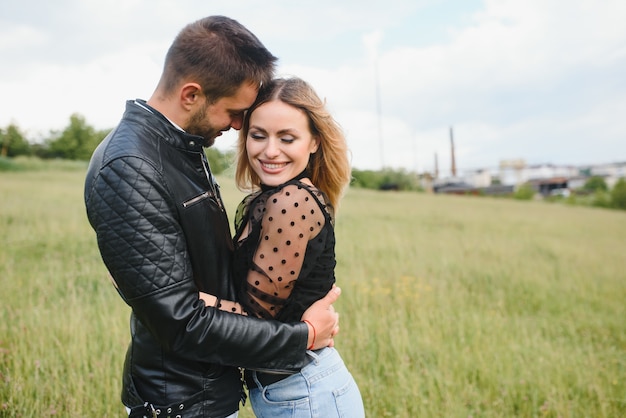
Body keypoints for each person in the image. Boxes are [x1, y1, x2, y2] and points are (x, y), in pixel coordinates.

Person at [84, 16, 340, 418]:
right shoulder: (131, 165)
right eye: (235, 113)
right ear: (191, 95)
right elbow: (180, 320)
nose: (240, 126)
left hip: (212, 390)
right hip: (182, 401)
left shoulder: (179, 148)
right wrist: (302, 336)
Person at [199, 77, 365, 417]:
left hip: (306, 392)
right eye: (258, 136)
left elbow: (255, 322)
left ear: (314, 142)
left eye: (287, 138)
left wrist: (173, 299)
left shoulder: (291, 202)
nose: (269, 150)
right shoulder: (269, 199)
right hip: (294, 390)